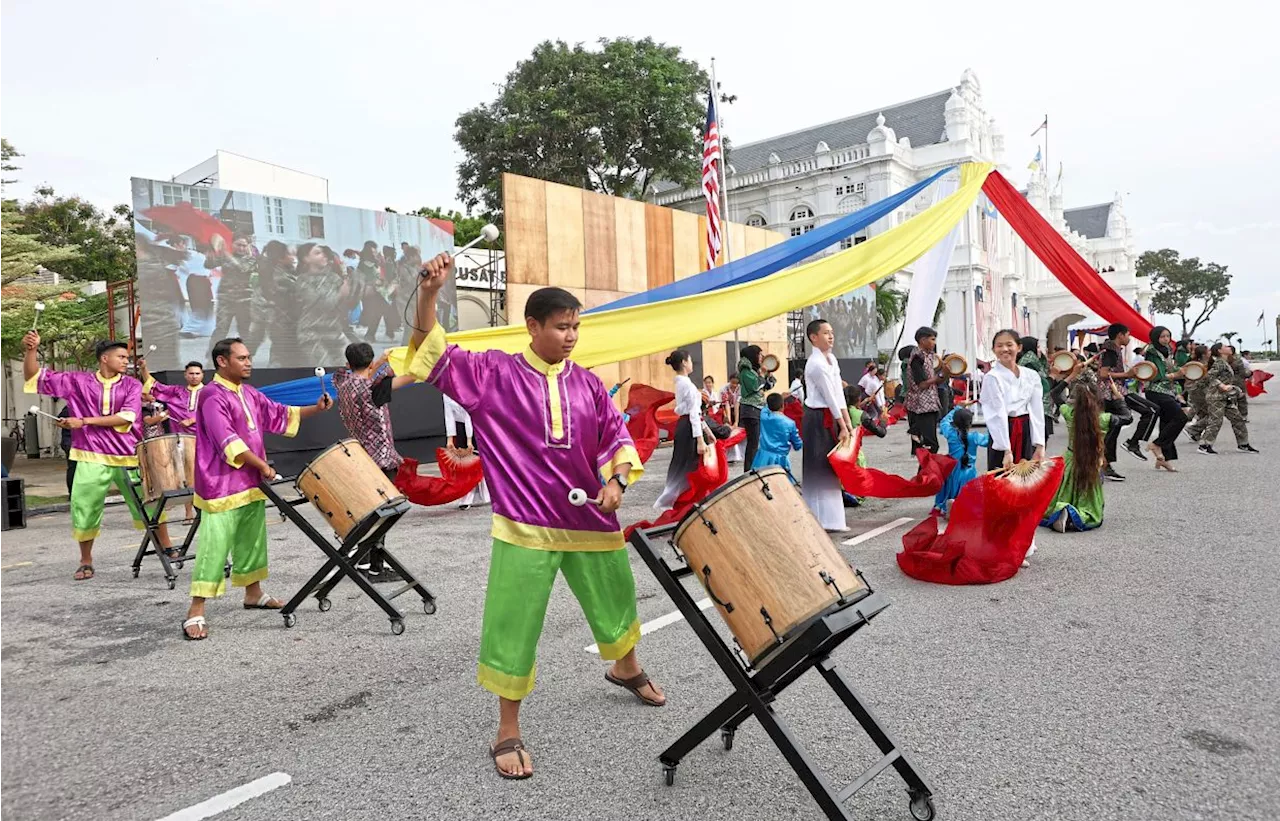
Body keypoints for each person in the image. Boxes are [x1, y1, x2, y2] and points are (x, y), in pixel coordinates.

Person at [407, 254, 661, 780]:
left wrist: (616, 482)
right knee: (514, 622)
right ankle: (507, 727)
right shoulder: (491, 374)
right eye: (562, 326)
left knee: (616, 596)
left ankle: (625, 666)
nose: (571, 336)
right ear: (533, 326)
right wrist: (430, 295)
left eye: (576, 327)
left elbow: (616, 435)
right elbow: (430, 355)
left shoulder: (588, 384)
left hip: (589, 516)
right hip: (524, 521)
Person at [182, 338, 333, 640]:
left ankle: (253, 593)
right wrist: (262, 466)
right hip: (221, 483)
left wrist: (315, 409)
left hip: (249, 482)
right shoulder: (212, 396)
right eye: (241, 358)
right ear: (222, 361)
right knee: (215, 545)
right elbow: (227, 441)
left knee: (252, 539)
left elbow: (279, 413)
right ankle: (196, 609)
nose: (248, 362)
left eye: (249, 357)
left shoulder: (248, 393)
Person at [22, 332, 173, 580]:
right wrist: (30, 351)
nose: (126, 361)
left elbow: (127, 417)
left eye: (127, 357)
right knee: (84, 506)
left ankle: (168, 549)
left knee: (151, 502)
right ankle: (85, 561)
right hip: (90, 455)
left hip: (127, 455)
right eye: (121, 356)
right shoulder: (77, 381)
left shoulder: (132, 385)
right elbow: (33, 377)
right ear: (104, 358)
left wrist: (82, 421)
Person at [333, 343, 418, 579]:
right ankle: (374, 566)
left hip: (358, 456)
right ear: (370, 363)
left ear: (349, 363)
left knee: (372, 512)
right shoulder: (374, 387)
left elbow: (359, 375)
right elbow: (411, 377)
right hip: (380, 458)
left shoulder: (343, 383)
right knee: (385, 513)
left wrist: (378, 363)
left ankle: (364, 559)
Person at [979, 328, 1046, 568]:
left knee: (1025, 489)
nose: (1004, 350)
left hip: (1025, 431)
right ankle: (1000, 545)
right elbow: (995, 413)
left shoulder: (1030, 375)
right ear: (994, 350)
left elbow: (1037, 410)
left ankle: (1024, 542)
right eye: (999, 345)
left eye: (1009, 345)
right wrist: (1005, 449)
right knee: (1002, 490)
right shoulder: (992, 377)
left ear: (1019, 347)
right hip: (1003, 435)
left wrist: (1040, 444)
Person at [802, 319, 852, 532]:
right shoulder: (815, 364)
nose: (831, 336)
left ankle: (833, 519)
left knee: (831, 467)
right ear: (814, 337)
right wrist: (841, 424)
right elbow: (829, 396)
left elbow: (838, 393)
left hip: (830, 416)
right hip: (817, 418)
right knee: (819, 466)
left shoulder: (831, 359)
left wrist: (847, 421)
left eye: (832, 332)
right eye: (826, 333)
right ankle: (820, 519)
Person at [1042, 379, 1109, 532]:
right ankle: (1078, 514)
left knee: (1064, 489)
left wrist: (1068, 378)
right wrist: (1118, 397)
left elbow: (1054, 393)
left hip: (1070, 459)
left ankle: (1061, 508)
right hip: (1092, 463)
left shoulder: (1068, 413)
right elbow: (1127, 416)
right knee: (1090, 502)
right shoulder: (1104, 419)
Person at [1096, 323, 1155, 481]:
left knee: (1111, 430)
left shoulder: (1112, 349)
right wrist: (1127, 374)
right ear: (1120, 335)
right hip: (1112, 393)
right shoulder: (1111, 351)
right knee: (1150, 411)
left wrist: (1128, 375)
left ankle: (1105, 465)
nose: (1129, 338)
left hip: (1113, 392)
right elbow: (1103, 374)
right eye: (1128, 334)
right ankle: (1132, 444)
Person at [654, 349, 706, 510]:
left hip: (685, 425)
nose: (692, 363)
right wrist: (700, 439)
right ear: (684, 362)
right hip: (689, 426)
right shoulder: (686, 384)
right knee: (688, 465)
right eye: (690, 360)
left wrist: (706, 431)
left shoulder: (681, 383)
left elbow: (681, 409)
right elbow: (693, 413)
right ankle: (683, 500)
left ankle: (678, 499)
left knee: (682, 463)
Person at [1141, 326, 1188, 471]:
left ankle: (1163, 459)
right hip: (1155, 390)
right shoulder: (1152, 352)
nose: (1166, 339)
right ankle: (1156, 444)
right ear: (1156, 338)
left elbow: (1169, 370)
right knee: (1181, 417)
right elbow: (1157, 375)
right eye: (1162, 336)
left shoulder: (1167, 350)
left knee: (1166, 423)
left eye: (1168, 336)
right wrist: (1176, 375)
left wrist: (1179, 371)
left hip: (1167, 391)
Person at [1197, 343, 1258, 455]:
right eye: (1226, 346)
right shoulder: (1219, 363)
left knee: (1238, 419)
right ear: (1220, 351)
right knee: (1216, 421)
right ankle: (1204, 445)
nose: (1229, 348)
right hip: (1216, 397)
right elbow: (1209, 376)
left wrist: (1234, 390)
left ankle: (1243, 444)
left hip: (1226, 397)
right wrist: (1221, 385)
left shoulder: (1225, 362)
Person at [934, 406, 990, 516]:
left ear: (954, 422)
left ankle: (949, 505)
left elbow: (944, 421)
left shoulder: (950, 434)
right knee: (969, 498)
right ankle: (959, 507)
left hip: (953, 471)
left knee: (950, 489)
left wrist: (957, 408)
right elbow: (989, 440)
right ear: (970, 423)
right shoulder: (975, 437)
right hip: (969, 472)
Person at [206, 234, 258, 347]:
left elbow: (242, 268)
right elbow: (208, 264)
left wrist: (226, 253)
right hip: (226, 299)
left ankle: (245, 357)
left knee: (244, 331)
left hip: (244, 300)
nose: (241, 248)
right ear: (232, 244)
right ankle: (211, 356)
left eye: (244, 245)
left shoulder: (251, 259)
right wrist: (211, 251)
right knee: (221, 329)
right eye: (238, 245)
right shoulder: (225, 256)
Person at [443, 391, 491, 510]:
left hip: (477, 421)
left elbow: (467, 415)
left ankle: (487, 493)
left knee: (478, 458)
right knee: (464, 460)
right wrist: (450, 439)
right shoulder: (445, 393)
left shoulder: (465, 389)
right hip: (460, 424)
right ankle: (467, 495)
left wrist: (469, 441)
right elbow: (449, 416)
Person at [905, 327, 942, 453]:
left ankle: (926, 472)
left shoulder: (928, 356)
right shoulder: (917, 358)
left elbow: (933, 380)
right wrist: (939, 377)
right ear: (923, 340)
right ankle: (926, 472)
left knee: (929, 445)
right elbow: (921, 384)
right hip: (922, 406)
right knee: (930, 445)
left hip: (930, 404)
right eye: (932, 339)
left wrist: (943, 375)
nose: (934, 342)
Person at [752, 392, 803, 483]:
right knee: (782, 485)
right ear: (783, 406)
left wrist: (779, 397)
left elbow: (765, 408)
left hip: (763, 457)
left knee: (761, 483)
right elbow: (797, 444)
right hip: (780, 459)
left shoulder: (764, 417)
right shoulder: (790, 423)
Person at [736, 346, 768, 472]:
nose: (761, 357)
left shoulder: (754, 370)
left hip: (756, 409)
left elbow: (766, 386)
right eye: (759, 354)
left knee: (755, 442)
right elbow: (755, 386)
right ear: (753, 355)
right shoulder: (745, 370)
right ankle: (749, 470)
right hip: (751, 409)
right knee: (753, 443)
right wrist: (763, 375)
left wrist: (767, 375)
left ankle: (753, 468)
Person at [1018, 336, 1054, 437]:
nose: (1040, 350)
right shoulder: (1029, 363)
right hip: (1037, 409)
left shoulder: (1034, 362)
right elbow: (1043, 387)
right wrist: (1052, 376)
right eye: (1037, 347)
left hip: (1040, 409)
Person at [1184, 345, 1213, 441]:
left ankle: (1195, 433)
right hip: (1198, 391)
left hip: (1198, 390)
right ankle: (1193, 429)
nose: (1210, 352)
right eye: (1208, 350)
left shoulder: (1206, 363)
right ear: (1203, 354)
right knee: (1213, 413)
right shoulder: (1198, 365)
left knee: (1203, 413)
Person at [1230, 347, 1251, 422]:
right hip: (1239, 382)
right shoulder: (1238, 361)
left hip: (1227, 383)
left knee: (1230, 400)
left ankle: (1233, 415)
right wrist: (1249, 373)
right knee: (1241, 400)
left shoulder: (1224, 360)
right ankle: (1243, 416)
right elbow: (1243, 373)